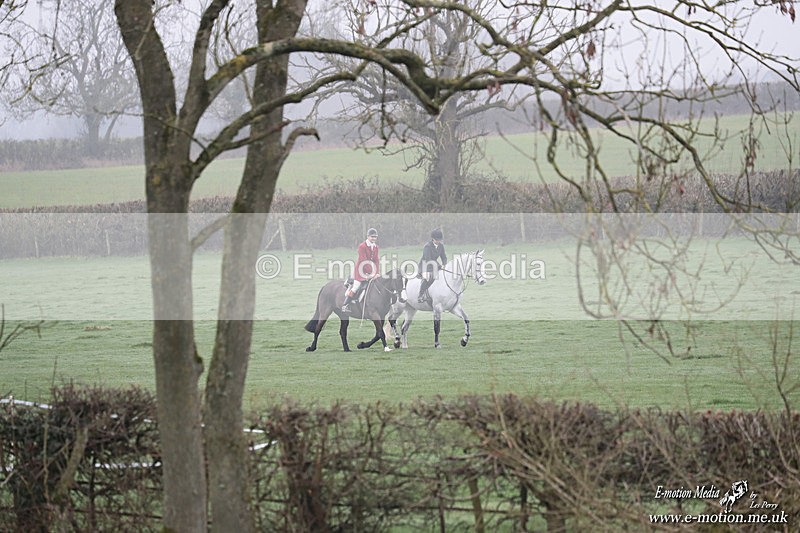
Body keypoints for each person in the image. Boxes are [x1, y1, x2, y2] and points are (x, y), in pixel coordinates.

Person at [342, 227, 380, 313]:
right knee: (356, 286)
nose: (373, 238)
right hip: (360, 271)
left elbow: (376, 260)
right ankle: (345, 304)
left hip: (371, 271)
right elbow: (364, 261)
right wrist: (372, 273)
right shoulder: (362, 246)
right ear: (368, 236)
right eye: (372, 236)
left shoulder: (376, 247)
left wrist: (377, 272)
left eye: (375, 237)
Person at [418, 228, 447, 303]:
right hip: (425, 266)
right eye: (437, 240)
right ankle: (420, 295)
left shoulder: (441, 246)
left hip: (435, 265)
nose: (438, 241)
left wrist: (444, 264)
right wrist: (440, 266)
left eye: (439, 240)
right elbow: (428, 259)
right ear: (433, 239)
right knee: (428, 277)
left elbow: (444, 257)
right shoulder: (427, 246)